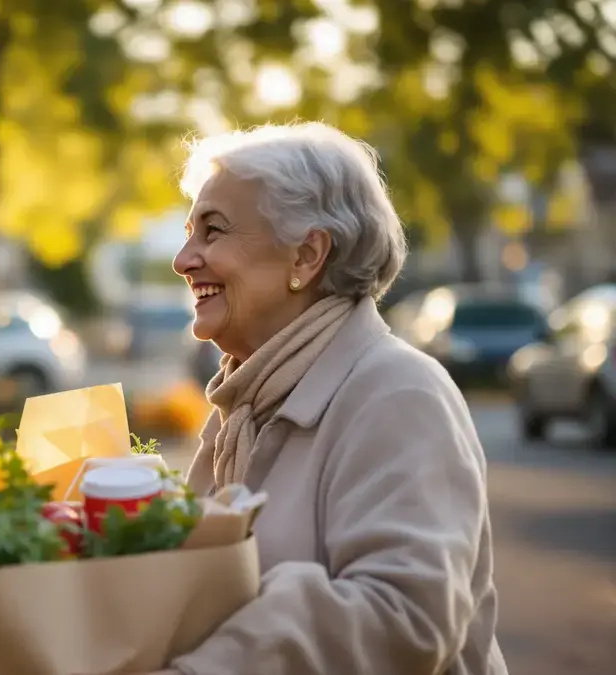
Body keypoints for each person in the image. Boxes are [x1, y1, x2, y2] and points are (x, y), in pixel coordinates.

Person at [149, 122, 508, 674]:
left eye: (213, 231)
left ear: (306, 255)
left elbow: (405, 616)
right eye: (189, 232)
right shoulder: (244, 407)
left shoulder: (398, 395)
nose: (183, 259)